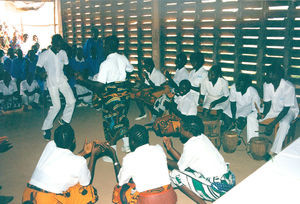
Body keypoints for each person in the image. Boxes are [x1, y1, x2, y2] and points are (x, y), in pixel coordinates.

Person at [77, 35, 134, 156]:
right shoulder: (123, 58)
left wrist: (83, 80)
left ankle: (112, 153)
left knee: (110, 123)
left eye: (104, 45)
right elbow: (130, 70)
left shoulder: (105, 63)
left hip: (112, 97)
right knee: (122, 118)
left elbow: (99, 86)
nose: (102, 47)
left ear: (107, 47)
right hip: (124, 95)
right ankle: (127, 145)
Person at [22, 124, 102, 204]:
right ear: (74, 140)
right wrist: (93, 156)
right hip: (45, 200)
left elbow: (64, 160)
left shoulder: (50, 145)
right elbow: (86, 182)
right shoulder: (80, 161)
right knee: (88, 192)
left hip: (28, 195)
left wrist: (84, 152)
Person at [163, 116, 235, 203]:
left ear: (187, 131)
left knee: (175, 175)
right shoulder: (202, 137)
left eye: (181, 127)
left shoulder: (191, 145)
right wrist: (170, 148)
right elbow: (184, 162)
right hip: (228, 182)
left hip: (217, 188)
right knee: (184, 173)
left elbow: (179, 167)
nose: (179, 128)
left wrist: (163, 159)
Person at [101, 124, 177, 204]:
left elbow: (121, 181)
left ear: (132, 142)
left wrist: (114, 157)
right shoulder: (158, 148)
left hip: (149, 201)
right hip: (170, 198)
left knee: (119, 190)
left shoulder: (129, 158)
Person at [36, 34, 76, 140]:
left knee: (72, 101)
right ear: (52, 43)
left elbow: (67, 66)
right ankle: (47, 128)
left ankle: (64, 120)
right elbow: (37, 69)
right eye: (57, 46)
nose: (59, 48)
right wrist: (41, 73)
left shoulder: (63, 53)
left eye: (60, 46)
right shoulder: (44, 55)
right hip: (52, 82)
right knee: (57, 106)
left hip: (62, 80)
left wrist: (73, 73)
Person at [260, 64, 299, 155]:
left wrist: (272, 124)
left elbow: (286, 110)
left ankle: (275, 151)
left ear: (276, 75)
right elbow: (267, 104)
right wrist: (263, 114)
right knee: (254, 116)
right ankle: (253, 143)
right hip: (273, 108)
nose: (266, 76)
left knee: (284, 123)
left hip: (289, 110)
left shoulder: (288, 87)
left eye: (268, 74)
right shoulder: (267, 84)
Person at [223, 74, 261, 141]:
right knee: (226, 115)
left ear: (246, 86)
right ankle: (232, 130)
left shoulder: (253, 92)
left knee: (241, 120)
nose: (237, 86)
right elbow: (233, 103)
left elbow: (254, 110)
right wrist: (233, 117)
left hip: (248, 107)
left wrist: (245, 118)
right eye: (237, 84)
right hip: (236, 105)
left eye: (240, 85)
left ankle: (237, 134)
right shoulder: (233, 88)